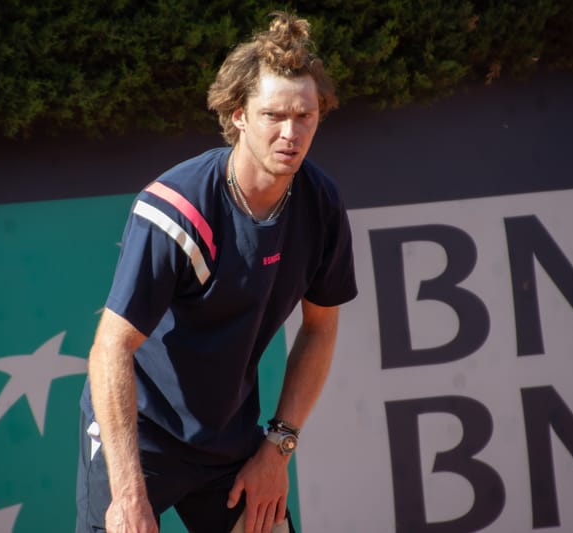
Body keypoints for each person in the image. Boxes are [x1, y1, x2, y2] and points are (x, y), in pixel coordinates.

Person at [76, 11, 357, 533]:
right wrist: (128, 494)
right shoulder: (176, 209)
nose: (291, 133)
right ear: (239, 114)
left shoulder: (321, 204)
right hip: (140, 434)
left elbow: (320, 329)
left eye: (306, 116)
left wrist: (278, 447)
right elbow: (111, 347)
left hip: (228, 437)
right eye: (274, 115)